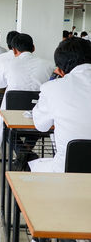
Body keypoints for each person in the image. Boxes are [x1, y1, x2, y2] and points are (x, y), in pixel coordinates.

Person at [0, 34, 55, 169]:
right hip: (38, 115)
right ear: (33, 48)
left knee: (6, 128)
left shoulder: (8, 64)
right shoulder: (49, 65)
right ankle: (26, 153)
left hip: (12, 114)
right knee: (38, 125)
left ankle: (21, 153)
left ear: (14, 50)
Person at [29, 37, 91, 173]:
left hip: (68, 171)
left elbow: (41, 126)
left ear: (61, 69)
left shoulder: (53, 88)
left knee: (33, 167)